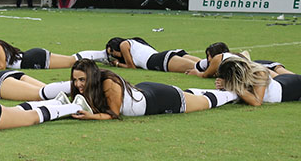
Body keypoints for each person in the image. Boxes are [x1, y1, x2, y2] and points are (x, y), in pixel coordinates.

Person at [68, 59, 238, 120]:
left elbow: (113, 114)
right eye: (75, 80)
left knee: (205, 102)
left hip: (158, 99)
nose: (78, 85)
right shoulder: (89, 86)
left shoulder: (108, 84)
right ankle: (225, 90)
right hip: (144, 91)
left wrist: (91, 116)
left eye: (82, 80)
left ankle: (234, 92)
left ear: (91, 76)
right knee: (192, 95)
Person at [0, 35, 107, 70]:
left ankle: (102, 54)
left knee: (72, 61)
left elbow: (1, 67)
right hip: (31, 58)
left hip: (34, 59)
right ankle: (101, 57)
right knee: (72, 60)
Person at [216, 56, 301, 105]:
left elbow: (257, 102)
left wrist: (231, 85)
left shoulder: (259, 73)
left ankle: (277, 67)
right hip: (279, 80)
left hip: (292, 86)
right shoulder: (244, 76)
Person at [187, 42, 291, 78]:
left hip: (257, 68)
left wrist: (196, 73)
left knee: (282, 79)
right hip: (257, 66)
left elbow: (205, 75)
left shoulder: (218, 59)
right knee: (286, 78)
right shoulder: (233, 56)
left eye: (210, 55)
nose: (209, 59)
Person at [105, 37, 201, 73]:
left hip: (157, 61)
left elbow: (131, 66)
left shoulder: (123, 45)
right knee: (203, 64)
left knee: (200, 68)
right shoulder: (134, 42)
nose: (114, 54)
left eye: (112, 51)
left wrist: (117, 64)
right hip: (163, 55)